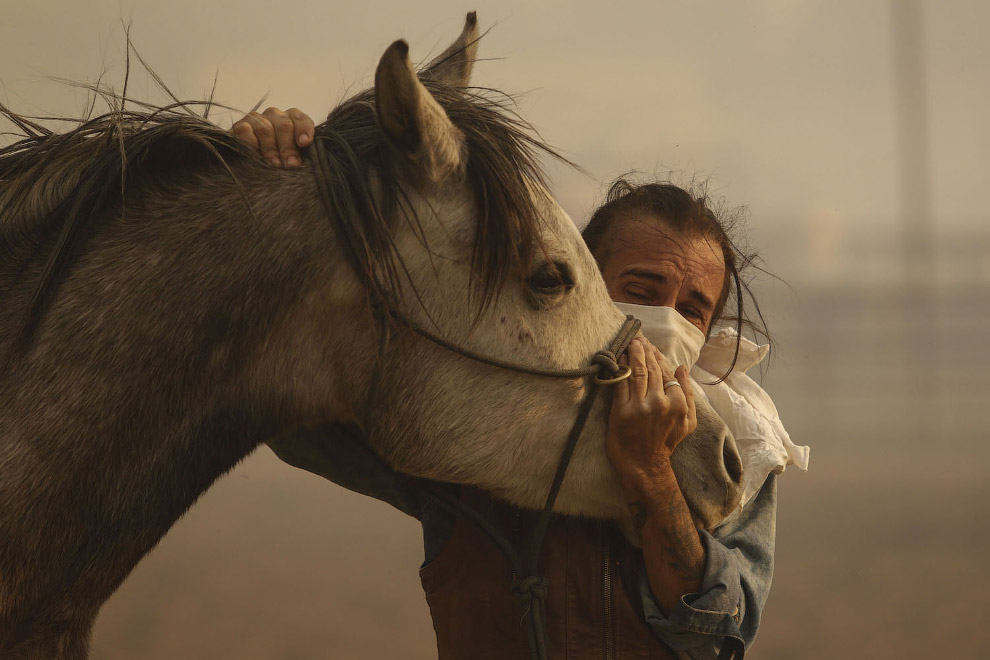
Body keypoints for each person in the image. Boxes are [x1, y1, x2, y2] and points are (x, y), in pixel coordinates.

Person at [233, 108, 779, 660]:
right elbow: (289, 414)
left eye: (692, 310)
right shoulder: (488, 414)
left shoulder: (736, 447)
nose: (663, 323)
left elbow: (714, 636)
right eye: (639, 291)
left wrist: (651, 469)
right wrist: (266, 187)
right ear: (587, 287)